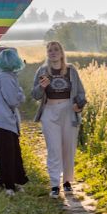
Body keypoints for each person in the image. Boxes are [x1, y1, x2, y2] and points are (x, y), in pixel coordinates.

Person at [31, 40, 86, 198]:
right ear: (47, 54)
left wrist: (79, 106)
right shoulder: (42, 70)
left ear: (62, 53)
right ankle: (55, 184)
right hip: (49, 111)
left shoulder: (71, 70)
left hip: (68, 111)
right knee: (54, 149)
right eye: (50, 50)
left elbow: (81, 93)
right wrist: (42, 87)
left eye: (56, 50)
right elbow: (34, 95)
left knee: (68, 148)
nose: (53, 52)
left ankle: (67, 182)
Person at [0, 48, 28, 194]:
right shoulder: (6, 78)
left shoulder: (5, 77)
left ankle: (11, 182)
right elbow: (13, 101)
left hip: (3, 120)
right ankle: (9, 185)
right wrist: (21, 93)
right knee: (8, 153)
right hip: (5, 121)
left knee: (9, 152)